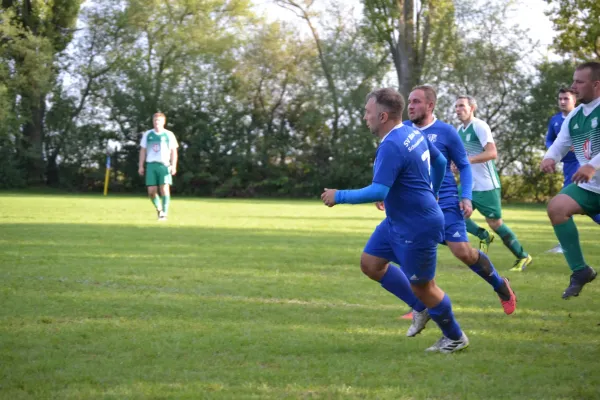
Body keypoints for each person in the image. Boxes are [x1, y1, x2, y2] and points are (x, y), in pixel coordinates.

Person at [321, 87, 469, 353]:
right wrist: (432, 191)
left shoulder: (391, 144)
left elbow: (379, 191)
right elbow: (439, 161)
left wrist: (338, 195)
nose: (365, 117)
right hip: (398, 221)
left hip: (418, 225)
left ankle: (455, 336)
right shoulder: (412, 132)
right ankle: (420, 307)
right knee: (371, 264)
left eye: (368, 112)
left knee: (425, 286)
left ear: (383, 116)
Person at [397, 86, 516, 332]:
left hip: (447, 203)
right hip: (418, 206)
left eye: (416, 102)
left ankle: (499, 284)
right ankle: (422, 306)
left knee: (463, 252)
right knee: (407, 248)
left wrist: (467, 197)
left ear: (430, 106)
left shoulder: (446, 132)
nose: (410, 106)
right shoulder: (404, 131)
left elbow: (463, 166)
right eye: (409, 101)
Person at [540, 61, 600, 299]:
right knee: (556, 207)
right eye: (574, 81)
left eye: (579, 82)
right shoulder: (575, 115)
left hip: (591, 177)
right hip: (591, 188)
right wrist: (549, 158)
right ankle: (580, 271)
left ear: (596, 85)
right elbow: (561, 142)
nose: (573, 86)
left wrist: (591, 165)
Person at [455, 96, 533, 272]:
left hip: (486, 185)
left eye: (462, 106)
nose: (458, 109)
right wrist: (456, 164)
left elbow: (492, 153)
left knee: (495, 223)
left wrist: (467, 161)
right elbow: (463, 157)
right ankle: (483, 236)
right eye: (456, 107)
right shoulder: (459, 130)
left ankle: (522, 256)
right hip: (469, 185)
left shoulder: (480, 126)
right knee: (453, 213)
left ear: (472, 107)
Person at [546, 88, 600, 250]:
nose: (562, 102)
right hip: (567, 165)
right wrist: (550, 157)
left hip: (582, 165)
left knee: (568, 202)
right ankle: (566, 247)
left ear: (574, 100)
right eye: (560, 99)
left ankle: (564, 245)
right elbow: (551, 140)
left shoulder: (586, 115)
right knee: (565, 204)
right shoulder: (556, 120)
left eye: (566, 99)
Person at [138, 112, 179, 221]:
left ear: (163, 122)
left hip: (164, 165)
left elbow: (174, 151)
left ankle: (164, 213)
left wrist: (174, 166)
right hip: (151, 164)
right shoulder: (148, 134)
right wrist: (141, 166)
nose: (157, 123)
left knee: (164, 189)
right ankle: (159, 209)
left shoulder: (169, 134)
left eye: (159, 120)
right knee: (151, 191)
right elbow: (143, 150)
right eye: (155, 120)